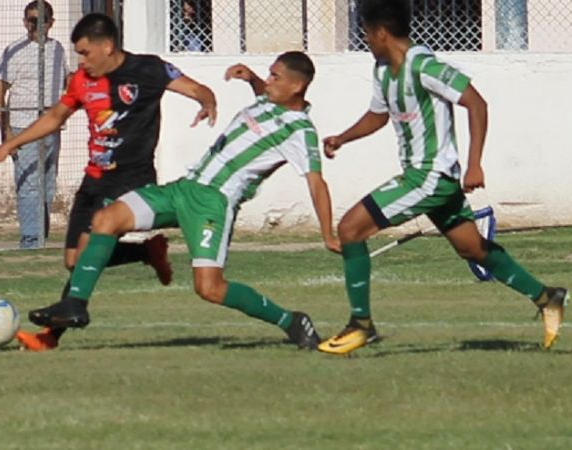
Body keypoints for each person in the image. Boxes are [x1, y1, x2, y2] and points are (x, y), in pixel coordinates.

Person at [24, 51, 340, 350]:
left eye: (275, 77)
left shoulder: (300, 131)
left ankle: (291, 321)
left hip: (212, 204)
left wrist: (327, 234)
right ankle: (74, 305)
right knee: (106, 219)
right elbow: (263, 92)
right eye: (269, 75)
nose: (268, 81)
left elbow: (316, 183)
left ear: (296, 86)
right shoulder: (268, 100)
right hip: (184, 189)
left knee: (209, 288)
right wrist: (252, 79)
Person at [317, 0, 570, 355]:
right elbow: (378, 116)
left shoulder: (425, 66)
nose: (366, 40)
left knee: (350, 229)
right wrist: (343, 138)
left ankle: (361, 325)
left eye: (367, 33)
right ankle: (546, 297)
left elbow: (476, 103)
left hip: (429, 177)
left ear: (381, 32)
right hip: (427, 179)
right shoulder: (383, 70)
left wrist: (474, 164)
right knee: (472, 248)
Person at [0, 13, 218, 351]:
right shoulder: (82, 81)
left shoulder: (149, 69)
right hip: (94, 179)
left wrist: (207, 102)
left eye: (85, 53)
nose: (81, 61)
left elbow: (196, 88)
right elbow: (56, 116)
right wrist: (10, 144)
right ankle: (147, 252)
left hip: (130, 179)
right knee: (72, 260)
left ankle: (50, 337)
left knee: (86, 253)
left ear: (107, 46)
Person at [0, 1, 69, 249]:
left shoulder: (57, 49)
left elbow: (66, 81)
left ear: (51, 23)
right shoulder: (14, 50)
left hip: (51, 128)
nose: (36, 26)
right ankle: (30, 240)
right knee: (28, 184)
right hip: (23, 127)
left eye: (42, 20)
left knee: (47, 184)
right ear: (25, 22)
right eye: (31, 20)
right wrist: (6, 132)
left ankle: (41, 237)